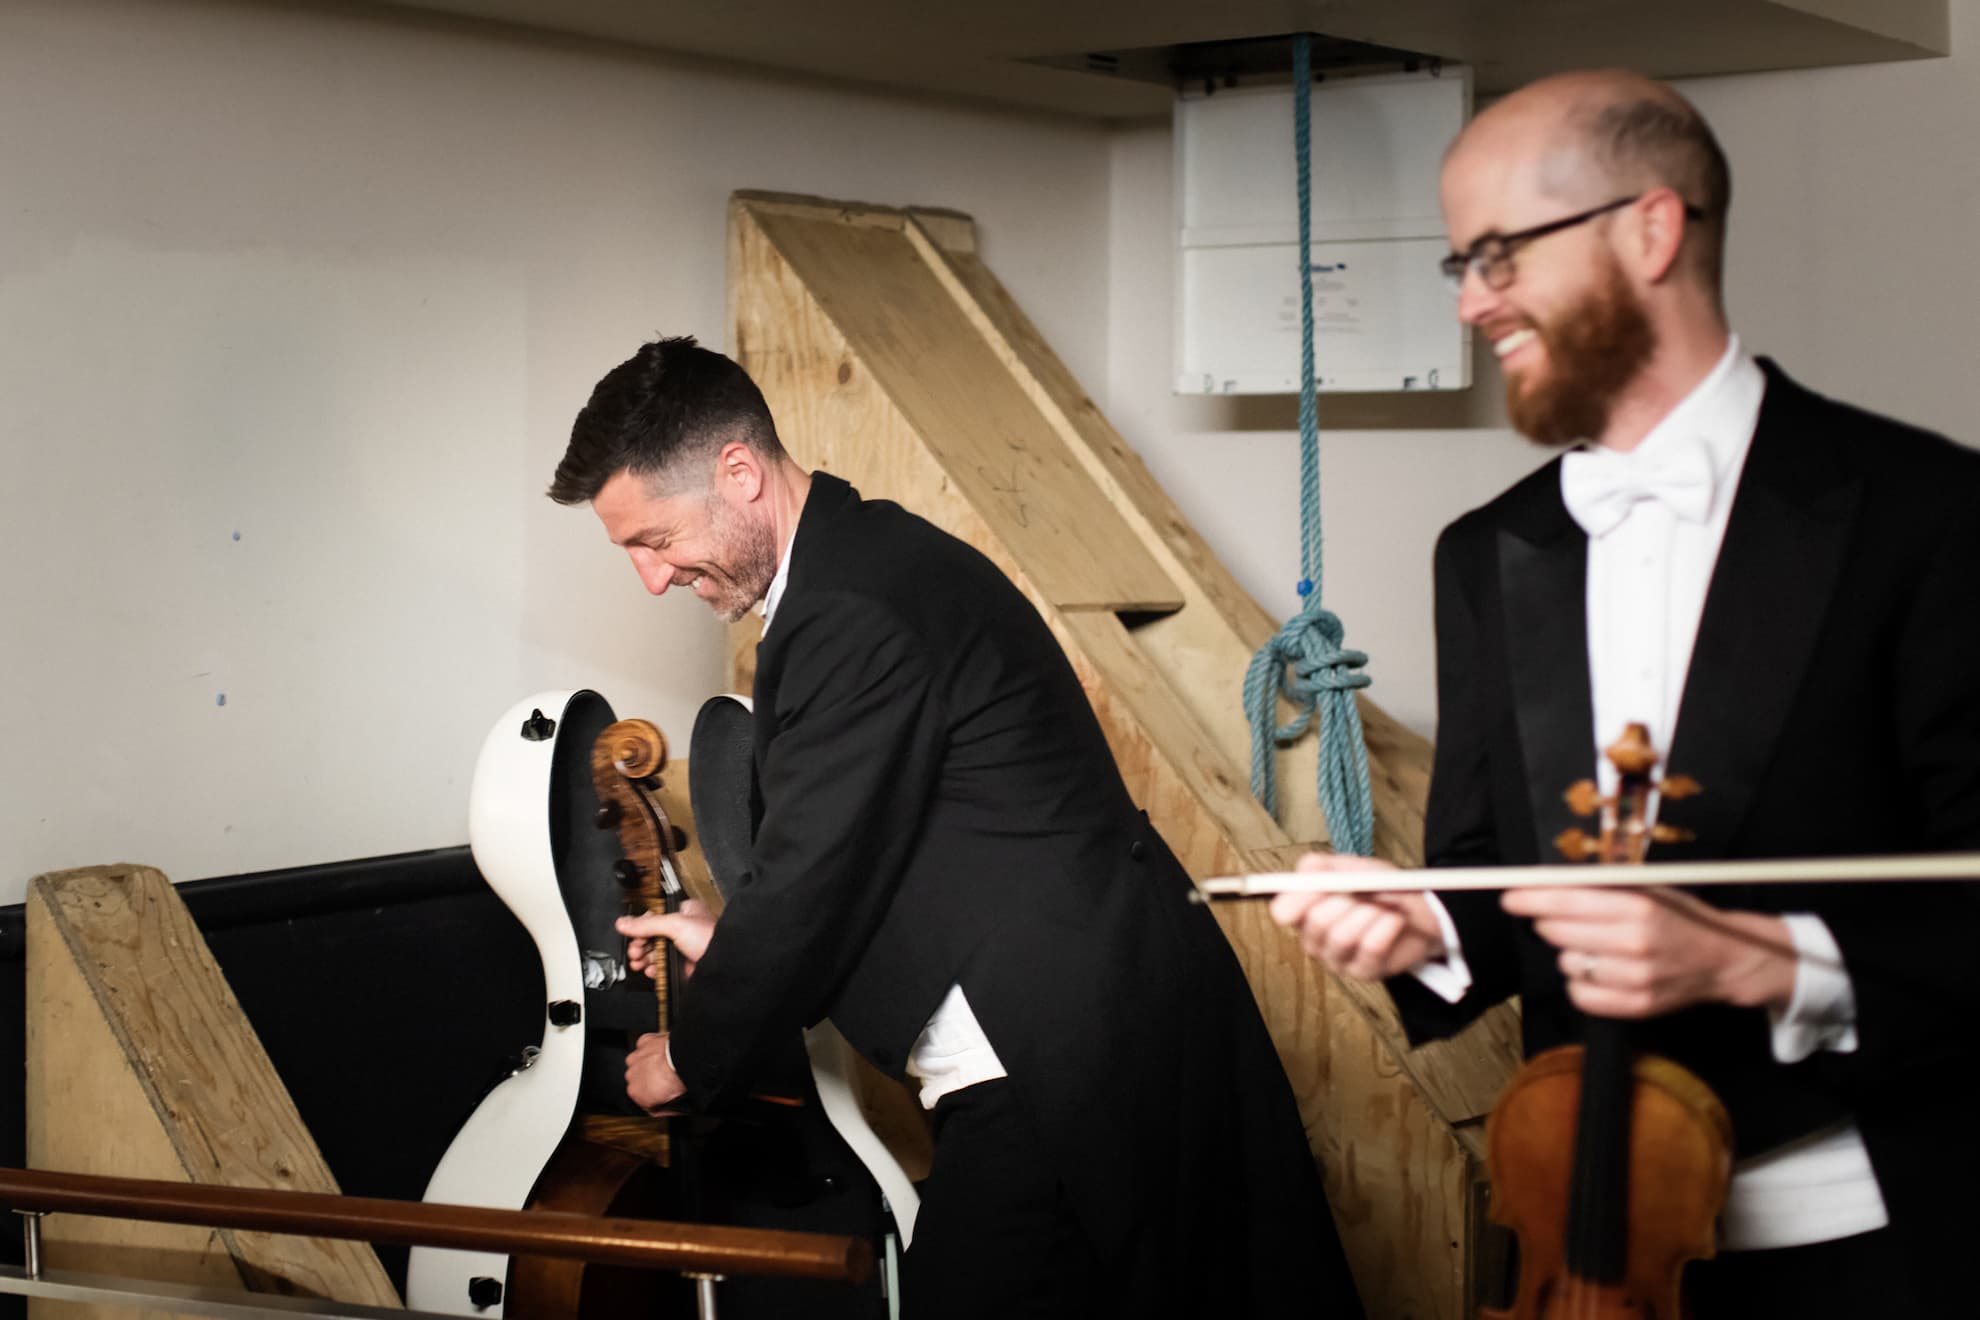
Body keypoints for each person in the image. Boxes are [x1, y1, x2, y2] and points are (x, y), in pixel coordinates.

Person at [1270, 70, 1980, 1314]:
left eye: (1498, 255)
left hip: (1878, 1240)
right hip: (1584, 1234)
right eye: (1460, 267)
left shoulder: (1933, 517)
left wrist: (1765, 962)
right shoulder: (1488, 553)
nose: (1475, 303)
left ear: (1651, 230)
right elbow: (1494, 869)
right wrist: (1427, 928)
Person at [548, 337, 1361, 1319]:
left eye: (656, 539)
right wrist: (729, 943)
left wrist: (687, 1054)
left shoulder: (850, 609)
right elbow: (902, 847)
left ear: (738, 472)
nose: (652, 576)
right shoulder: (864, 565)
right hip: (1075, 1021)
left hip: (1058, 1052)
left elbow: (810, 879)